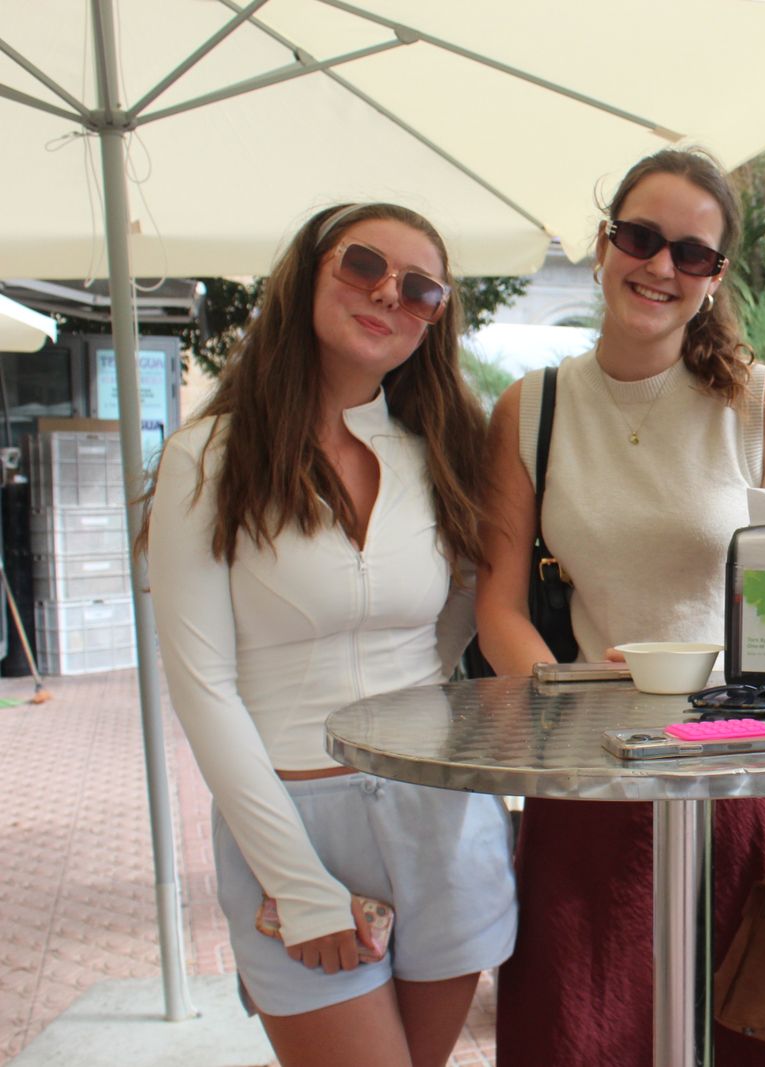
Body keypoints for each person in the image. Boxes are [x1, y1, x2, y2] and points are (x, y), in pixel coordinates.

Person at [144, 202, 516, 1067]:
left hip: (441, 811)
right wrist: (298, 883)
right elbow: (202, 685)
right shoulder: (207, 457)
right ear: (308, 274)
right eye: (363, 264)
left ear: (435, 320)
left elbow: (456, 618)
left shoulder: (444, 451)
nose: (389, 292)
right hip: (294, 820)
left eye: (421, 288)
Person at [478, 148, 765, 1066]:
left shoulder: (763, 408)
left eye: (692, 254)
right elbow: (498, 607)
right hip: (590, 771)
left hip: (735, 769)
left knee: (744, 1031)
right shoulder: (531, 408)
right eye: (640, 237)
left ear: (715, 280)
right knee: (581, 1033)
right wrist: (570, 695)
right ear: (602, 246)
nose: (660, 266)